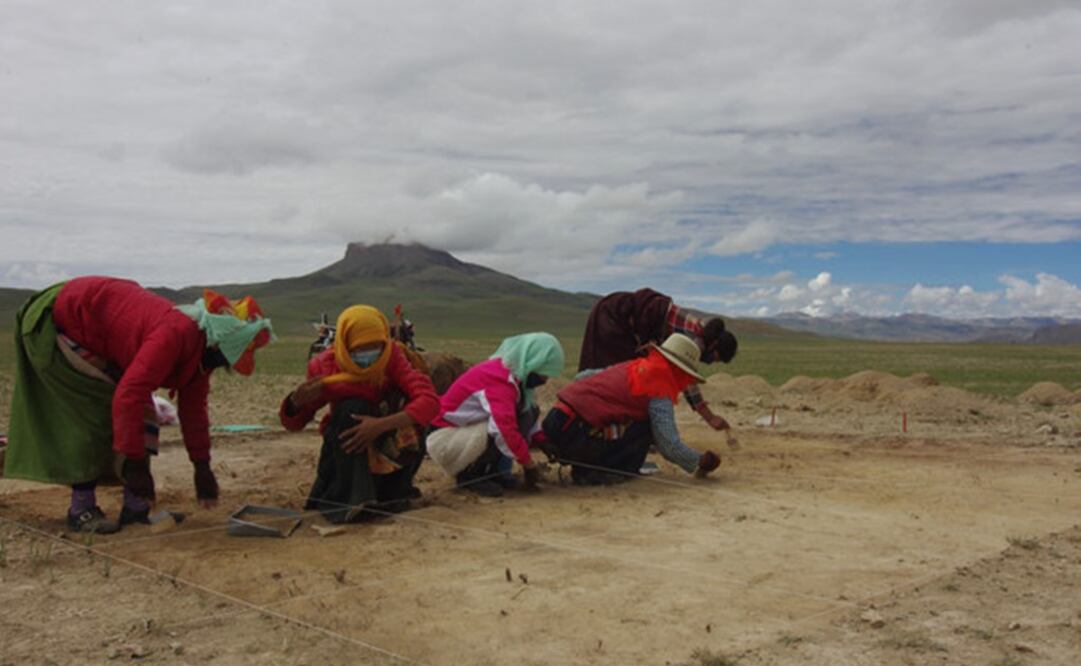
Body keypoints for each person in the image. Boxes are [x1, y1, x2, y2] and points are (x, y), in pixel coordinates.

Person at [4, 278, 273, 533]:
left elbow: (193, 411)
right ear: (219, 346)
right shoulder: (175, 334)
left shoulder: (201, 353)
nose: (227, 367)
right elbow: (128, 396)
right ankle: (81, 509)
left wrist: (202, 467)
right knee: (95, 410)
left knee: (144, 412)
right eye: (231, 358)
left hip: (94, 326)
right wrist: (137, 465)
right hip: (61, 321)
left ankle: (135, 507)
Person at [281, 305, 439, 523]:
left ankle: (391, 491)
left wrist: (379, 425)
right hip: (347, 444)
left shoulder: (391, 355)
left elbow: (428, 401)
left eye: (376, 346)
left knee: (411, 416)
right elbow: (294, 423)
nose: (370, 354)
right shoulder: (324, 366)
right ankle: (351, 500)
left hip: (384, 435)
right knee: (353, 407)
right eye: (360, 348)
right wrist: (296, 402)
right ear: (345, 345)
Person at [543, 333, 722, 485]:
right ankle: (603, 471)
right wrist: (700, 461)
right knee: (645, 427)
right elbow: (668, 445)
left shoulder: (635, 366)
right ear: (681, 370)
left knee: (628, 418)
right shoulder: (659, 389)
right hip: (574, 436)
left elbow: (583, 376)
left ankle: (587, 461)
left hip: (553, 422)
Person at [578, 288, 738, 431]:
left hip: (619, 319)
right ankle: (597, 423)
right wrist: (709, 417)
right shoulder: (695, 339)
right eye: (715, 358)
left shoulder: (701, 333)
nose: (710, 361)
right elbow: (686, 377)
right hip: (615, 319)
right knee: (619, 377)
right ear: (715, 345)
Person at [427, 333, 565, 497]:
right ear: (532, 362)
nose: (545, 380)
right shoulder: (499, 379)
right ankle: (471, 476)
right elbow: (504, 429)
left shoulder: (517, 380)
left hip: (466, 430)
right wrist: (528, 465)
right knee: (500, 427)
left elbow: (527, 416)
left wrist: (542, 442)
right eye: (543, 373)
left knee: (529, 410)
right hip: (445, 437)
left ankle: (493, 473)